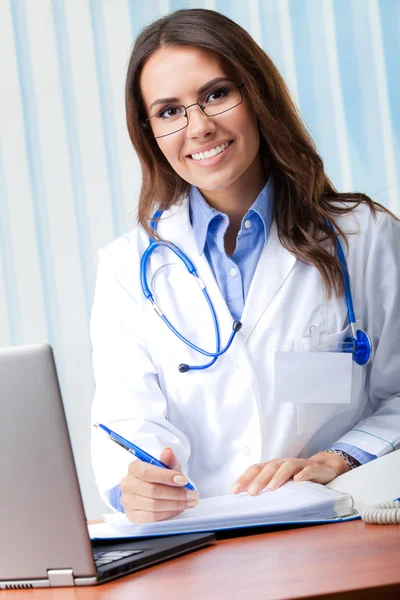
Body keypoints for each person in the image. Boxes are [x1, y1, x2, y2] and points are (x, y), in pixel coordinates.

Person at [90, 8, 400, 524]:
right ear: (149, 133)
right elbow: (126, 420)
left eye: (215, 94)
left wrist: (340, 458)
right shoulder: (127, 269)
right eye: (169, 111)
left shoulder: (363, 236)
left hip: (340, 529)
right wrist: (136, 485)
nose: (199, 126)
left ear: (256, 94)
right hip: (201, 543)